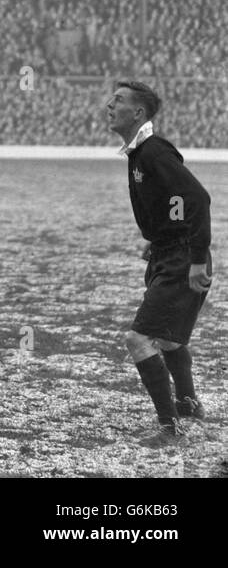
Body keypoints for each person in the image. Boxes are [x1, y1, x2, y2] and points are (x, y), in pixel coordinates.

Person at [106, 79, 213, 448]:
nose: (109, 105)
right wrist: (158, 236)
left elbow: (197, 198)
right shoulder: (140, 152)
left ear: (138, 113)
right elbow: (175, 202)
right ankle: (187, 405)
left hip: (183, 258)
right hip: (170, 251)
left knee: (138, 339)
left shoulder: (153, 152)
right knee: (167, 338)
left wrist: (197, 260)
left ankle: (169, 428)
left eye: (117, 100)